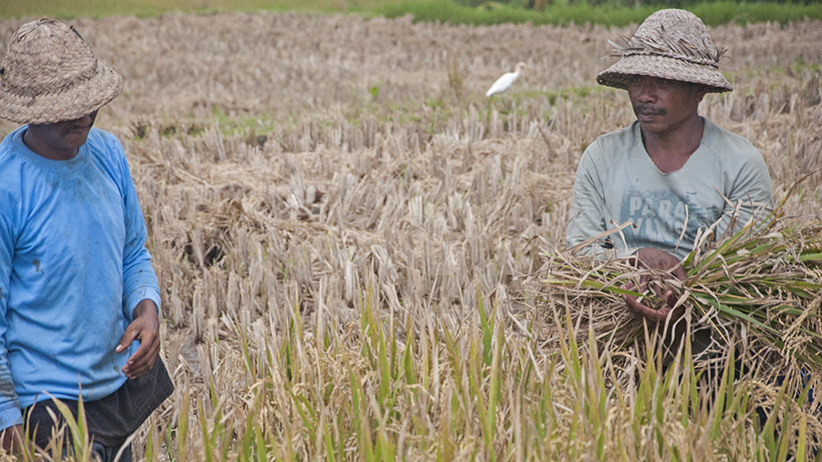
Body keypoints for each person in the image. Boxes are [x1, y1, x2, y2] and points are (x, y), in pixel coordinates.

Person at [0, 18, 173, 460]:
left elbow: (133, 251)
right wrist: (6, 418)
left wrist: (147, 308)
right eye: (66, 107)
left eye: (88, 103)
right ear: (31, 109)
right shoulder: (8, 186)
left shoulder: (109, 154)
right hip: (48, 407)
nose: (83, 115)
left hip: (115, 388)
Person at [566, 9, 773, 328]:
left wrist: (683, 284)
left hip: (710, 331)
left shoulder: (739, 162)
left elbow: (751, 266)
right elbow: (580, 253)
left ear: (698, 90)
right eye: (637, 80)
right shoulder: (601, 157)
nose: (644, 95)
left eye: (662, 81)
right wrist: (632, 264)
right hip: (614, 328)